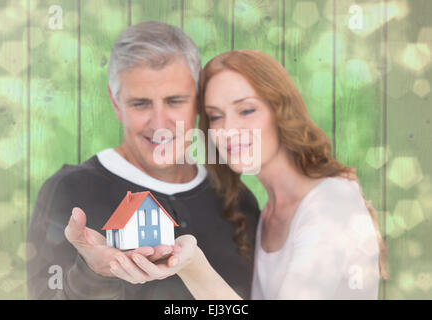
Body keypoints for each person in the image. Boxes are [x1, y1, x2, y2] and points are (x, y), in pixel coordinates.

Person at [110, 50, 389, 299]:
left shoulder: (331, 203)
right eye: (216, 116)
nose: (228, 129)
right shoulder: (267, 213)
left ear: (281, 111)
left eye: (246, 110)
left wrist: (194, 267)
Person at [26, 22, 260, 299]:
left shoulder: (237, 200)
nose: (159, 123)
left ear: (198, 101)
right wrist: (92, 275)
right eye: (140, 104)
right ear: (116, 104)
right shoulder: (70, 191)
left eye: (175, 101)